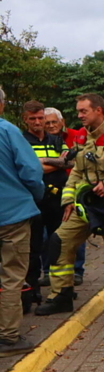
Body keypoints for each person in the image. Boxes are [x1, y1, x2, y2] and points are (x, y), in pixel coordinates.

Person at [35, 94, 104, 323]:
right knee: (60, 241)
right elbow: (77, 172)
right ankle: (61, 295)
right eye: (78, 111)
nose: (79, 115)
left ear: (99, 111)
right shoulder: (82, 138)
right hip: (85, 207)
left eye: (83, 111)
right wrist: (68, 201)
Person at [0, 87, 45, 356]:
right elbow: (31, 170)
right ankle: (7, 337)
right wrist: (35, 196)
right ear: (2, 105)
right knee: (12, 275)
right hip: (12, 215)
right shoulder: (7, 131)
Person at [20, 101, 68, 313]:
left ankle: (61, 291)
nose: (38, 122)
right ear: (25, 120)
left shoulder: (56, 139)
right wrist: (56, 161)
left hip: (57, 201)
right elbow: (27, 169)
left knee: (58, 246)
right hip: (33, 201)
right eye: (33, 119)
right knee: (32, 248)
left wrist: (41, 163)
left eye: (40, 117)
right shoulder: (21, 141)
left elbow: (71, 162)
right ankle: (32, 289)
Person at [43, 107, 86, 286]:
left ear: (62, 122)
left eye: (54, 122)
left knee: (76, 231)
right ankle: (48, 271)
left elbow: (77, 160)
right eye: (48, 123)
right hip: (48, 193)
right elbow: (33, 165)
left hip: (73, 189)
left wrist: (46, 162)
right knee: (48, 236)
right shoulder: (41, 140)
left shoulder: (76, 136)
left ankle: (77, 270)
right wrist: (60, 163)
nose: (51, 126)